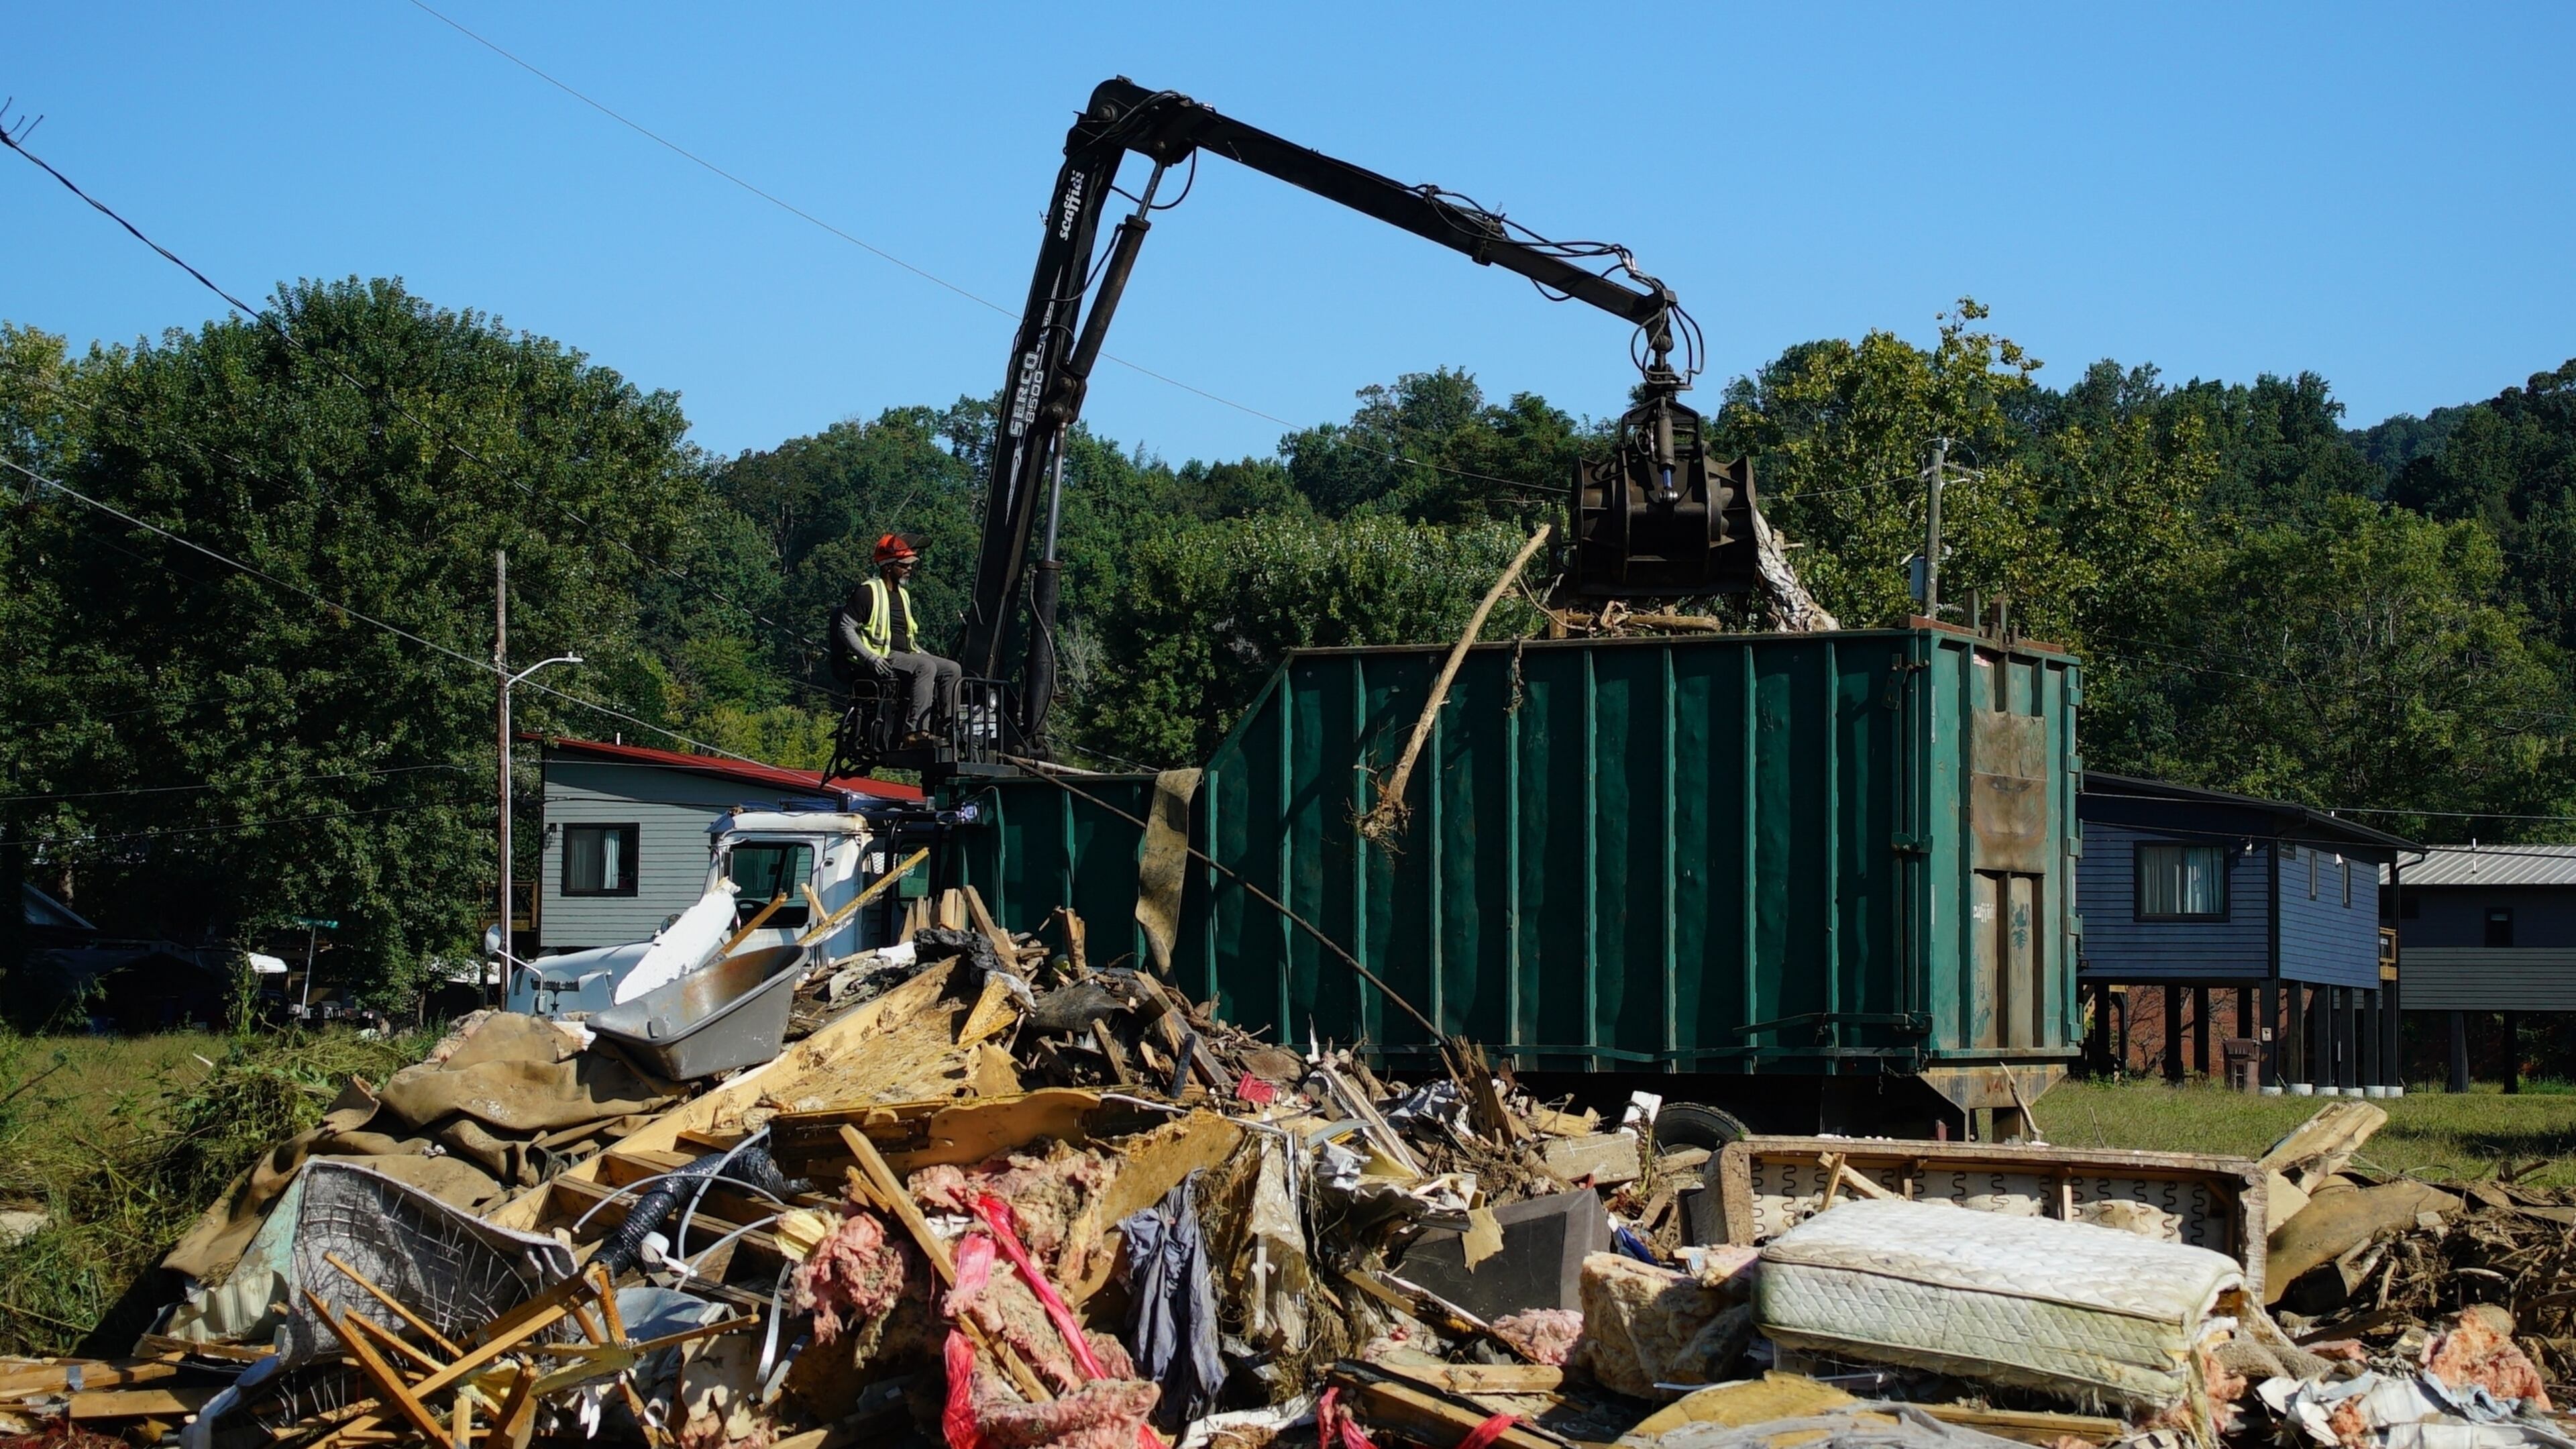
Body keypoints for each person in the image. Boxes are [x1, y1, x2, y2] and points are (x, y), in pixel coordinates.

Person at [835, 533, 961, 744]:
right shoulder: (868, 592)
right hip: (882, 657)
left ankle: (949, 729)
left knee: (952, 668)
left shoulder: (903, 595)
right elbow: (845, 628)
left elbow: (908, 640)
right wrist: (870, 658)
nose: (909, 569)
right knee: (926, 667)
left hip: (905, 654)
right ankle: (915, 732)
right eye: (904, 565)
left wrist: (927, 654)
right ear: (888, 566)